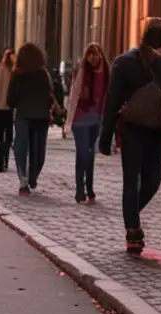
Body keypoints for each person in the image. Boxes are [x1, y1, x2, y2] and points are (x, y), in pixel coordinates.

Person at [99, 17, 161, 252]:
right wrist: (106, 134)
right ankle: (132, 229)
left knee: (150, 180)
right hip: (134, 128)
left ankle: (130, 215)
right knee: (134, 180)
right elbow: (113, 99)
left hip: (152, 130)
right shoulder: (124, 63)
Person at [7, 42, 55, 194]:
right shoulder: (43, 74)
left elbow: (11, 100)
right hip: (41, 117)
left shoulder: (17, 75)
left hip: (23, 116)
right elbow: (50, 96)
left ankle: (23, 180)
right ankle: (33, 175)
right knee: (38, 149)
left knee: (21, 147)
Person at [68, 43, 107, 201]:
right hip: (80, 119)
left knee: (90, 155)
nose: (93, 57)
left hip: (96, 119)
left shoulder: (106, 73)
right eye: (90, 54)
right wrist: (69, 118)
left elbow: (107, 94)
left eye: (96, 54)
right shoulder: (81, 71)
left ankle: (89, 188)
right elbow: (74, 93)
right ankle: (79, 189)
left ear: (100, 55)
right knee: (83, 153)